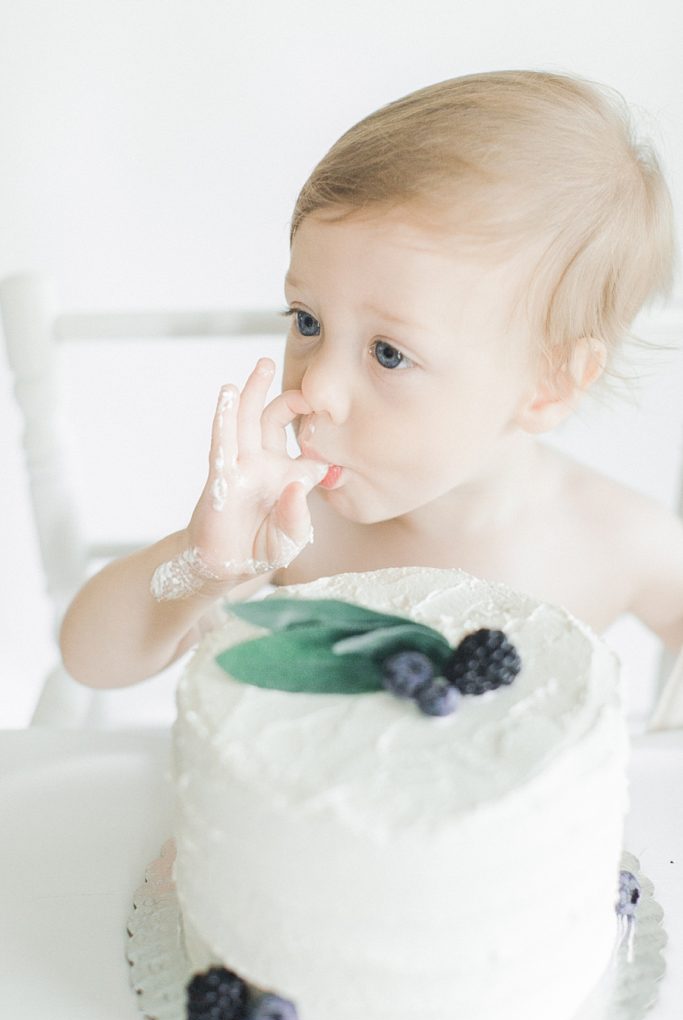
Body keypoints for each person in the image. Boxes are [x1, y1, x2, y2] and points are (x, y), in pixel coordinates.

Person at [59, 68, 683, 703]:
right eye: (308, 321)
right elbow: (89, 660)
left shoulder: (618, 541)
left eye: (389, 353)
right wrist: (204, 567)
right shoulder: (297, 525)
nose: (319, 386)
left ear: (550, 384)